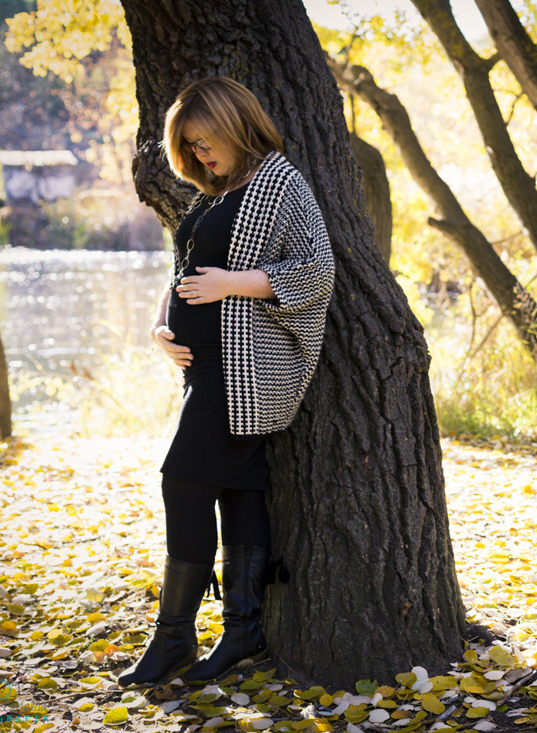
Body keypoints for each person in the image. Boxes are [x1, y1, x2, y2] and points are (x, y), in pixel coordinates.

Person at [118, 77, 334, 686]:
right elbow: (184, 270)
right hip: (204, 369)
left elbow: (316, 269)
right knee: (240, 489)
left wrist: (231, 285)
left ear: (238, 124)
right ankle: (243, 629)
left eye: (207, 140)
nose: (201, 155)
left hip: (247, 372)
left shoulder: (279, 180)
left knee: (182, 480)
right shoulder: (215, 194)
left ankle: (175, 639)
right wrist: (160, 325)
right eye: (190, 145)